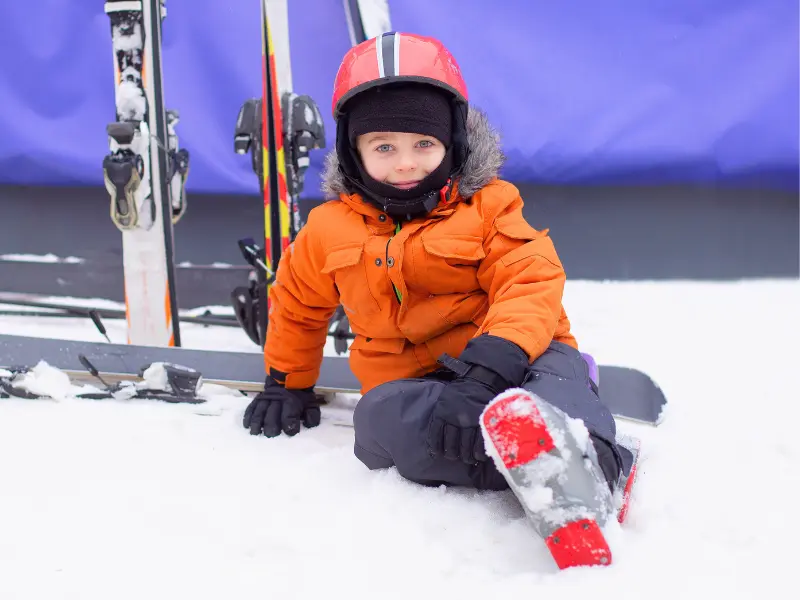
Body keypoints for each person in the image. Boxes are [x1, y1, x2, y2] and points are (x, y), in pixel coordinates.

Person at [243, 32, 632, 568]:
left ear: (454, 142)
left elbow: (529, 278)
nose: (406, 163)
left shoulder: (489, 205)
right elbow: (298, 303)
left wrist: (492, 367)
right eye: (384, 147)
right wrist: (287, 383)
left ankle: (597, 464)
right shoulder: (326, 230)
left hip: (515, 358)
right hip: (419, 387)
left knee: (553, 381)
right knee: (376, 426)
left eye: (424, 145)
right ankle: (532, 461)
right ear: (352, 152)